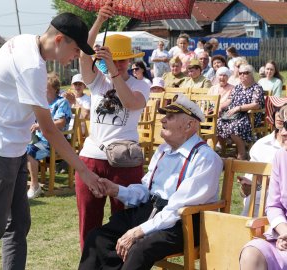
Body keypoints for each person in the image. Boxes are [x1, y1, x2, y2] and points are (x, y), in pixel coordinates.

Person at [0, 13, 104, 270]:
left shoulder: (26, 41)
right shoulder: (32, 66)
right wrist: (84, 171)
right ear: (59, 39)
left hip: (10, 148)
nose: (75, 57)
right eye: (75, 50)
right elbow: (50, 130)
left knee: (17, 225)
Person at [78, 93, 223, 270]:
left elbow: (178, 209)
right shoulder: (163, 150)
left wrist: (140, 230)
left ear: (189, 125)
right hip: (153, 212)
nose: (163, 120)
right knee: (97, 237)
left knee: (139, 249)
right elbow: (147, 190)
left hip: (182, 224)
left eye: (170, 117)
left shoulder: (205, 158)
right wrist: (116, 190)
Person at [77, 2, 150, 249]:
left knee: (124, 219)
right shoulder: (96, 80)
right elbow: (82, 55)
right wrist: (98, 21)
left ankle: (120, 262)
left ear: (130, 60)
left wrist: (113, 72)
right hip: (92, 157)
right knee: (89, 220)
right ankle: (88, 262)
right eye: (113, 61)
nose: (117, 65)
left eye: (122, 61)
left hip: (124, 159)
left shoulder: (142, 85)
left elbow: (130, 103)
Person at [239, 106, 287, 270]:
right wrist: (283, 230)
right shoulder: (281, 156)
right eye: (283, 126)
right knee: (252, 252)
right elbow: (274, 205)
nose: (283, 133)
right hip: (281, 236)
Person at [237, 98, 287, 217]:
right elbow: (248, 187)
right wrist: (246, 188)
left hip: (278, 205)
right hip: (258, 204)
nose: (279, 116)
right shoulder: (261, 145)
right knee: (256, 199)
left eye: (283, 112)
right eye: (277, 110)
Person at [26, 73, 72, 199]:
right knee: (17, 145)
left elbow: (61, 123)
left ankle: (34, 186)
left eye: (44, 85)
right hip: (39, 138)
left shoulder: (61, 102)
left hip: (54, 142)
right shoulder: (41, 103)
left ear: (53, 87)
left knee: (30, 150)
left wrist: (40, 126)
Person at [217, 64, 265, 160]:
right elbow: (229, 100)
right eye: (240, 73)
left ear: (251, 74)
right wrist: (220, 107)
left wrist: (238, 108)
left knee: (234, 126)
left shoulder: (257, 87)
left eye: (245, 73)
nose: (242, 75)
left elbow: (256, 104)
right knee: (218, 123)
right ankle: (223, 151)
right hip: (234, 115)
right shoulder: (237, 87)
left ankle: (242, 153)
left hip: (249, 116)